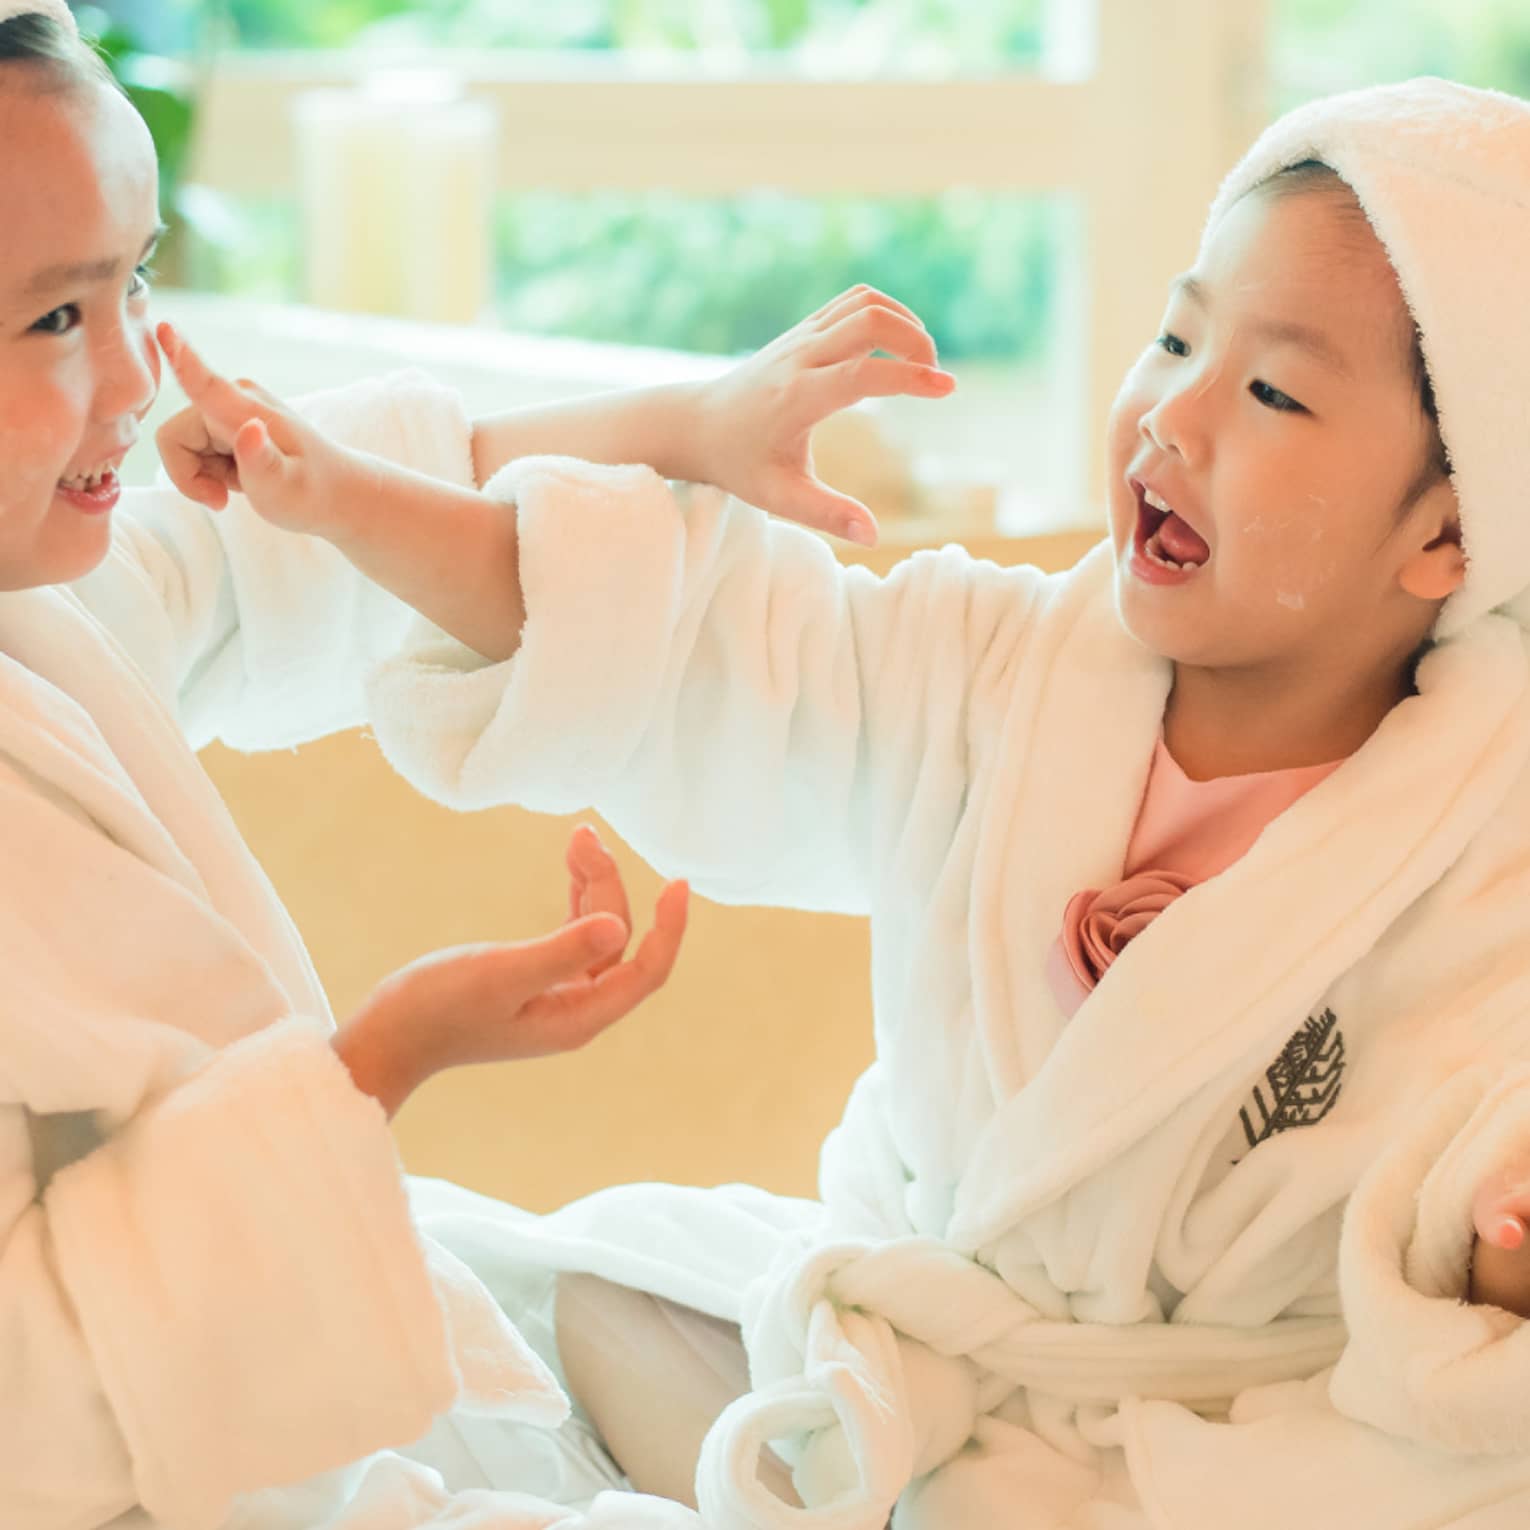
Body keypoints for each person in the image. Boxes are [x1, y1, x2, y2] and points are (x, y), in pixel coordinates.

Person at [175, 70, 1530, 1530]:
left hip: (1213, 1461)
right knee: (409, 1315)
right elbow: (681, 644)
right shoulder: (991, 667)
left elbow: (1465, 1182)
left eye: (1271, 389)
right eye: (1173, 333)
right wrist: (337, 498)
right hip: (903, 1364)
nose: (1171, 415)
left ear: (1448, 530)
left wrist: (1488, 1251)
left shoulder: (1480, 842)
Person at [0, 6, 949, 1529]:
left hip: (317, 1377)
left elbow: (338, 518)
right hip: (193, 1483)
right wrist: (381, 1059)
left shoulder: (46, 602)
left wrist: (690, 423)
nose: (133, 381)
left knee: (785, 1315)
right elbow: (35, 1408)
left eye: (140, 284)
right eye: (57, 318)